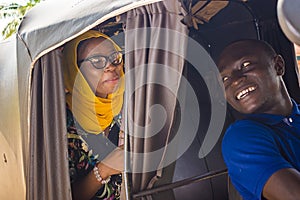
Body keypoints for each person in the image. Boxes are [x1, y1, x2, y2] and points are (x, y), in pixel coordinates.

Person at [217, 39, 300, 200]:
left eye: (246, 65)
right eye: (225, 79)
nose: (235, 80)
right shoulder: (241, 136)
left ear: (278, 66)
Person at [63, 30, 125, 200]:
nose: (110, 66)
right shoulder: (59, 123)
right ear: (75, 71)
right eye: (97, 60)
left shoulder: (128, 105)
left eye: (115, 57)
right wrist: (103, 170)